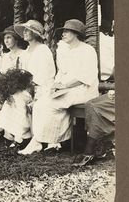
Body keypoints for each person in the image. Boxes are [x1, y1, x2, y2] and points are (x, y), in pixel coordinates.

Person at [19, 19, 99, 155]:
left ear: (76, 34)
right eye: (63, 31)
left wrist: (64, 86)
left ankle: (41, 141)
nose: (63, 34)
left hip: (84, 90)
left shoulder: (87, 50)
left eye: (67, 31)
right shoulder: (66, 51)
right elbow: (62, 72)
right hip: (68, 90)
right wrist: (56, 85)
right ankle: (51, 141)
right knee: (41, 103)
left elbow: (86, 77)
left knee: (48, 104)